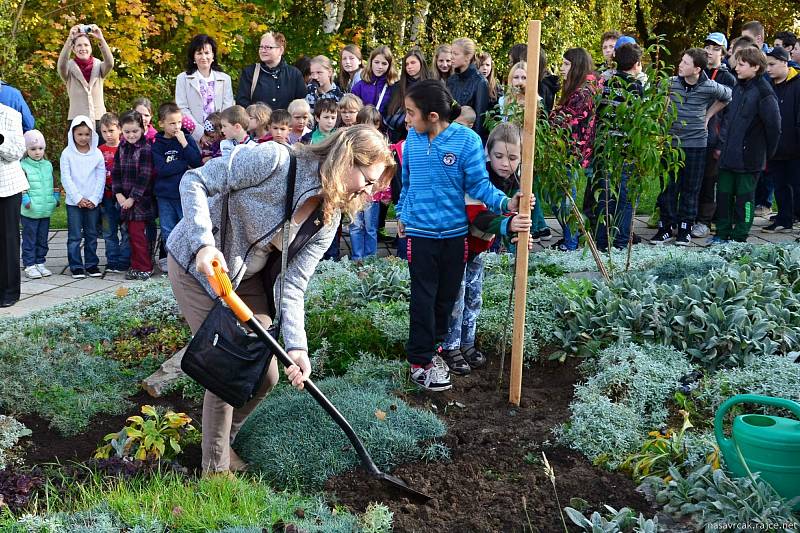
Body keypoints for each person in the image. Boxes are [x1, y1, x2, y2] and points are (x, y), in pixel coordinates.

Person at [166, 124, 394, 475]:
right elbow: (194, 180)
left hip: (248, 280)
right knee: (231, 364)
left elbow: (293, 283)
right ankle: (215, 471)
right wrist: (203, 243)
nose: (366, 191)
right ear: (347, 159)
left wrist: (298, 348)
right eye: (367, 180)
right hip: (198, 267)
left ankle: (223, 441)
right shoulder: (274, 160)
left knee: (266, 376)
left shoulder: (328, 217)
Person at [397, 80, 524, 391]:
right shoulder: (411, 139)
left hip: (455, 236)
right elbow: (408, 182)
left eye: (411, 113)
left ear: (432, 116)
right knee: (423, 299)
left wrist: (507, 204)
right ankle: (420, 360)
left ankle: (436, 348)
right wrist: (402, 212)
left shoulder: (466, 142)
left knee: (446, 298)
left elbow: (479, 188)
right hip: (420, 234)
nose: (407, 119)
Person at [441, 122, 532, 374]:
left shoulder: (517, 182)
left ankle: (467, 343)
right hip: (458, 244)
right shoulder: (477, 178)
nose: (505, 163)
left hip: (479, 248)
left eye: (513, 157)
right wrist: (508, 223)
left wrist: (521, 235)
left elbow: (518, 221)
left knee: (473, 296)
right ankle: (450, 347)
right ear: (487, 154)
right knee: (456, 299)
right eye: (499, 156)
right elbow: (478, 216)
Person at [651, 48, 732, 245]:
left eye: (686, 63)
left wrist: (708, 115)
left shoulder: (709, 86)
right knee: (668, 187)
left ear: (697, 69)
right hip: (672, 144)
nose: (680, 65)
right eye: (681, 60)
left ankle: (685, 228)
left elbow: (728, 95)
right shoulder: (670, 83)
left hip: (696, 144)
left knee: (691, 188)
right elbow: (656, 97)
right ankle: (666, 227)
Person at [716, 46, 780, 242]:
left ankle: (739, 236)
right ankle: (721, 233)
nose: (736, 68)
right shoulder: (737, 86)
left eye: (741, 65)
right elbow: (728, 119)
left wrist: (767, 154)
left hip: (749, 159)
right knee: (724, 196)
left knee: (744, 199)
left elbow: (774, 127)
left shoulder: (764, 92)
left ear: (755, 67)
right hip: (728, 155)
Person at [593, 43, 644, 250]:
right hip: (625, 150)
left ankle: (602, 241)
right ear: (637, 64)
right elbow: (638, 121)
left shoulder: (604, 83)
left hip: (605, 148)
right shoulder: (635, 87)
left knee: (605, 197)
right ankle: (622, 242)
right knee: (625, 198)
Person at [550, 48, 600, 251]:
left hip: (571, 152)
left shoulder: (583, 92)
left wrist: (549, 117)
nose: (561, 68)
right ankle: (572, 234)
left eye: (565, 64)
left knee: (562, 198)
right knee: (558, 197)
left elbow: (566, 122)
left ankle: (571, 241)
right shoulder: (581, 87)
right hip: (569, 150)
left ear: (576, 66)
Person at [693, 32, 737, 240]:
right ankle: (689, 217)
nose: (710, 52)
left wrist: (722, 142)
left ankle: (704, 220)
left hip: (713, 138)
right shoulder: (697, 73)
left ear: (723, 52)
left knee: (709, 181)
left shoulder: (727, 77)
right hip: (694, 136)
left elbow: (729, 114)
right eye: (708, 47)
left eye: (716, 48)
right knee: (693, 179)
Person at [153, 102, 202, 272]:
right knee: (168, 228)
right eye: (172, 123)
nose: (176, 126)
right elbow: (161, 170)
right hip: (165, 195)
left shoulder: (186, 139)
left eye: (179, 122)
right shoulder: (157, 144)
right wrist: (183, 164)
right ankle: (171, 261)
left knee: (186, 226)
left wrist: (184, 144)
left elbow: (196, 162)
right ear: (161, 123)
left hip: (184, 194)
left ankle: (188, 259)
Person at [112, 110, 156, 280]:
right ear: (121, 130)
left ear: (143, 129)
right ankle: (135, 265)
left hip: (140, 202)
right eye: (127, 131)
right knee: (129, 235)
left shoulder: (145, 149)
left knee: (139, 236)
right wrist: (119, 194)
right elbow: (115, 171)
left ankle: (145, 266)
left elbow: (145, 176)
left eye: (135, 131)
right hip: (124, 200)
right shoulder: (121, 148)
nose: (131, 135)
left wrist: (132, 198)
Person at [761, 47, 799, 234]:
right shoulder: (768, 85)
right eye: (767, 65)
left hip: (795, 147)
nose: (768, 69)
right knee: (779, 185)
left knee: (797, 185)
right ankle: (784, 219)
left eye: (772, 65)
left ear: (785, 62)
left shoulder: (798, 83)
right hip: (775, 147)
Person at [61, 116, 105, 278]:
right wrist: (78, 198)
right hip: (74, 203)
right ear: (72, 134)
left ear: (92, 134)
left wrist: (94, 199)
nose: (83, 138)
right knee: (74, 236)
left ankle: (92, 264)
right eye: (79, 134)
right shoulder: (67, 154)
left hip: (92, 202)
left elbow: (101, 178)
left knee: (92, 234)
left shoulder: (97, 154)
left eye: (87, 134)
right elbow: (66, 178)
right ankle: (76, 266)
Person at [175, 34, 235, 143]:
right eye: (199, 53)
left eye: (207, 53)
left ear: (213, 55)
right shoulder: (182, 79)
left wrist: (219, 131)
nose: (203, 57)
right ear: (193, 56)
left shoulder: (225, 79)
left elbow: (228, 107)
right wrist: (200, 133)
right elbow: (182, 109)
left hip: (221, 135)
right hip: (193, 136)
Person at [57, 24, 114, 130]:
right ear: (73, 49)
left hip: (99, 120)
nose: (83, 48)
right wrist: (70, 39)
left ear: (91, 48)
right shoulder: (68, 68)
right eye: (79, 45)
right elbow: (61, 65)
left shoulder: (99, 66)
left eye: (86, 45)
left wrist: (101, 39)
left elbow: (110, 63)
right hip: (77, 120)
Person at [348, 105, 385, 262]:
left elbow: (385, 171)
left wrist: (384, 192)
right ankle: (357, 257)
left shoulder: (381, 144)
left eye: (372, 124)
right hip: (356, 193)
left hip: (373, 195)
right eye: (364, 123)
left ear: (377, 125)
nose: (368, 128)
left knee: (370, 228)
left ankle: (370, 258)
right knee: (355, 226)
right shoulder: (353, 142)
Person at [20, 130, 58, 279]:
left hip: (45, 210)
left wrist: (55, 198)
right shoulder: (23, 166)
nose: (37, 152)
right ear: (26, 150)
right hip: (30, 210)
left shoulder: (47, 165)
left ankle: (40, 262)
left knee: (43, 238)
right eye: (33, 149)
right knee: (30, 238)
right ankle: (29, 265)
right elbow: (21, 185)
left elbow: (54, 182)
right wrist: (25, 200)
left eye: (40, 149)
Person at [235, 32, 306, 109]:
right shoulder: (250, 72)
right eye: (261, 47)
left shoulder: (294, 74)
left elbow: (301, 105)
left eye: (268, 47)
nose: (263, 50)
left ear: (281, 50)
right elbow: (241, 103)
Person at [0, 103, 27, 307]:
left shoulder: (10, 115)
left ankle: (9, 292)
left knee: (8, 240)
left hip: (6, 187)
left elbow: (17, 152)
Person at [98, 112, 130, 274]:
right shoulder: (99, 150)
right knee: (109, 230)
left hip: (123, 195)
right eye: (104, 132)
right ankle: (112, 260)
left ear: (119, 130)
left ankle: (124, 260)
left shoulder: (126, 148)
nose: (108, 135)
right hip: (106, 196)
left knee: (125, 229)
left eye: (111, 130)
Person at [447, 37, 490, 139]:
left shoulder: (480, 82)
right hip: (449, 137)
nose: (451, 57)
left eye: (456, 54)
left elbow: (480, 121)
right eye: (451, 53)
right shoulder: (451, 80)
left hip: (468, 140)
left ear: (468, 56)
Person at [384, 48, 429, 142]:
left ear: (421, 63)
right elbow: (388, 109)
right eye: (406, 64)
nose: (409, 66)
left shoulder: (430, 86)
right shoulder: (397, 86)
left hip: (422, 136)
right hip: (395, 136)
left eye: (413, 62)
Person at [351, 45, 398, 119]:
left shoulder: (393, 87)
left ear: (389, 66)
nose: (380, 67)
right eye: (376, 62)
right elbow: (352, 111)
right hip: (363, 127)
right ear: (371, 62)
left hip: (384, 129)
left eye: (384, 63)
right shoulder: (359, 87)